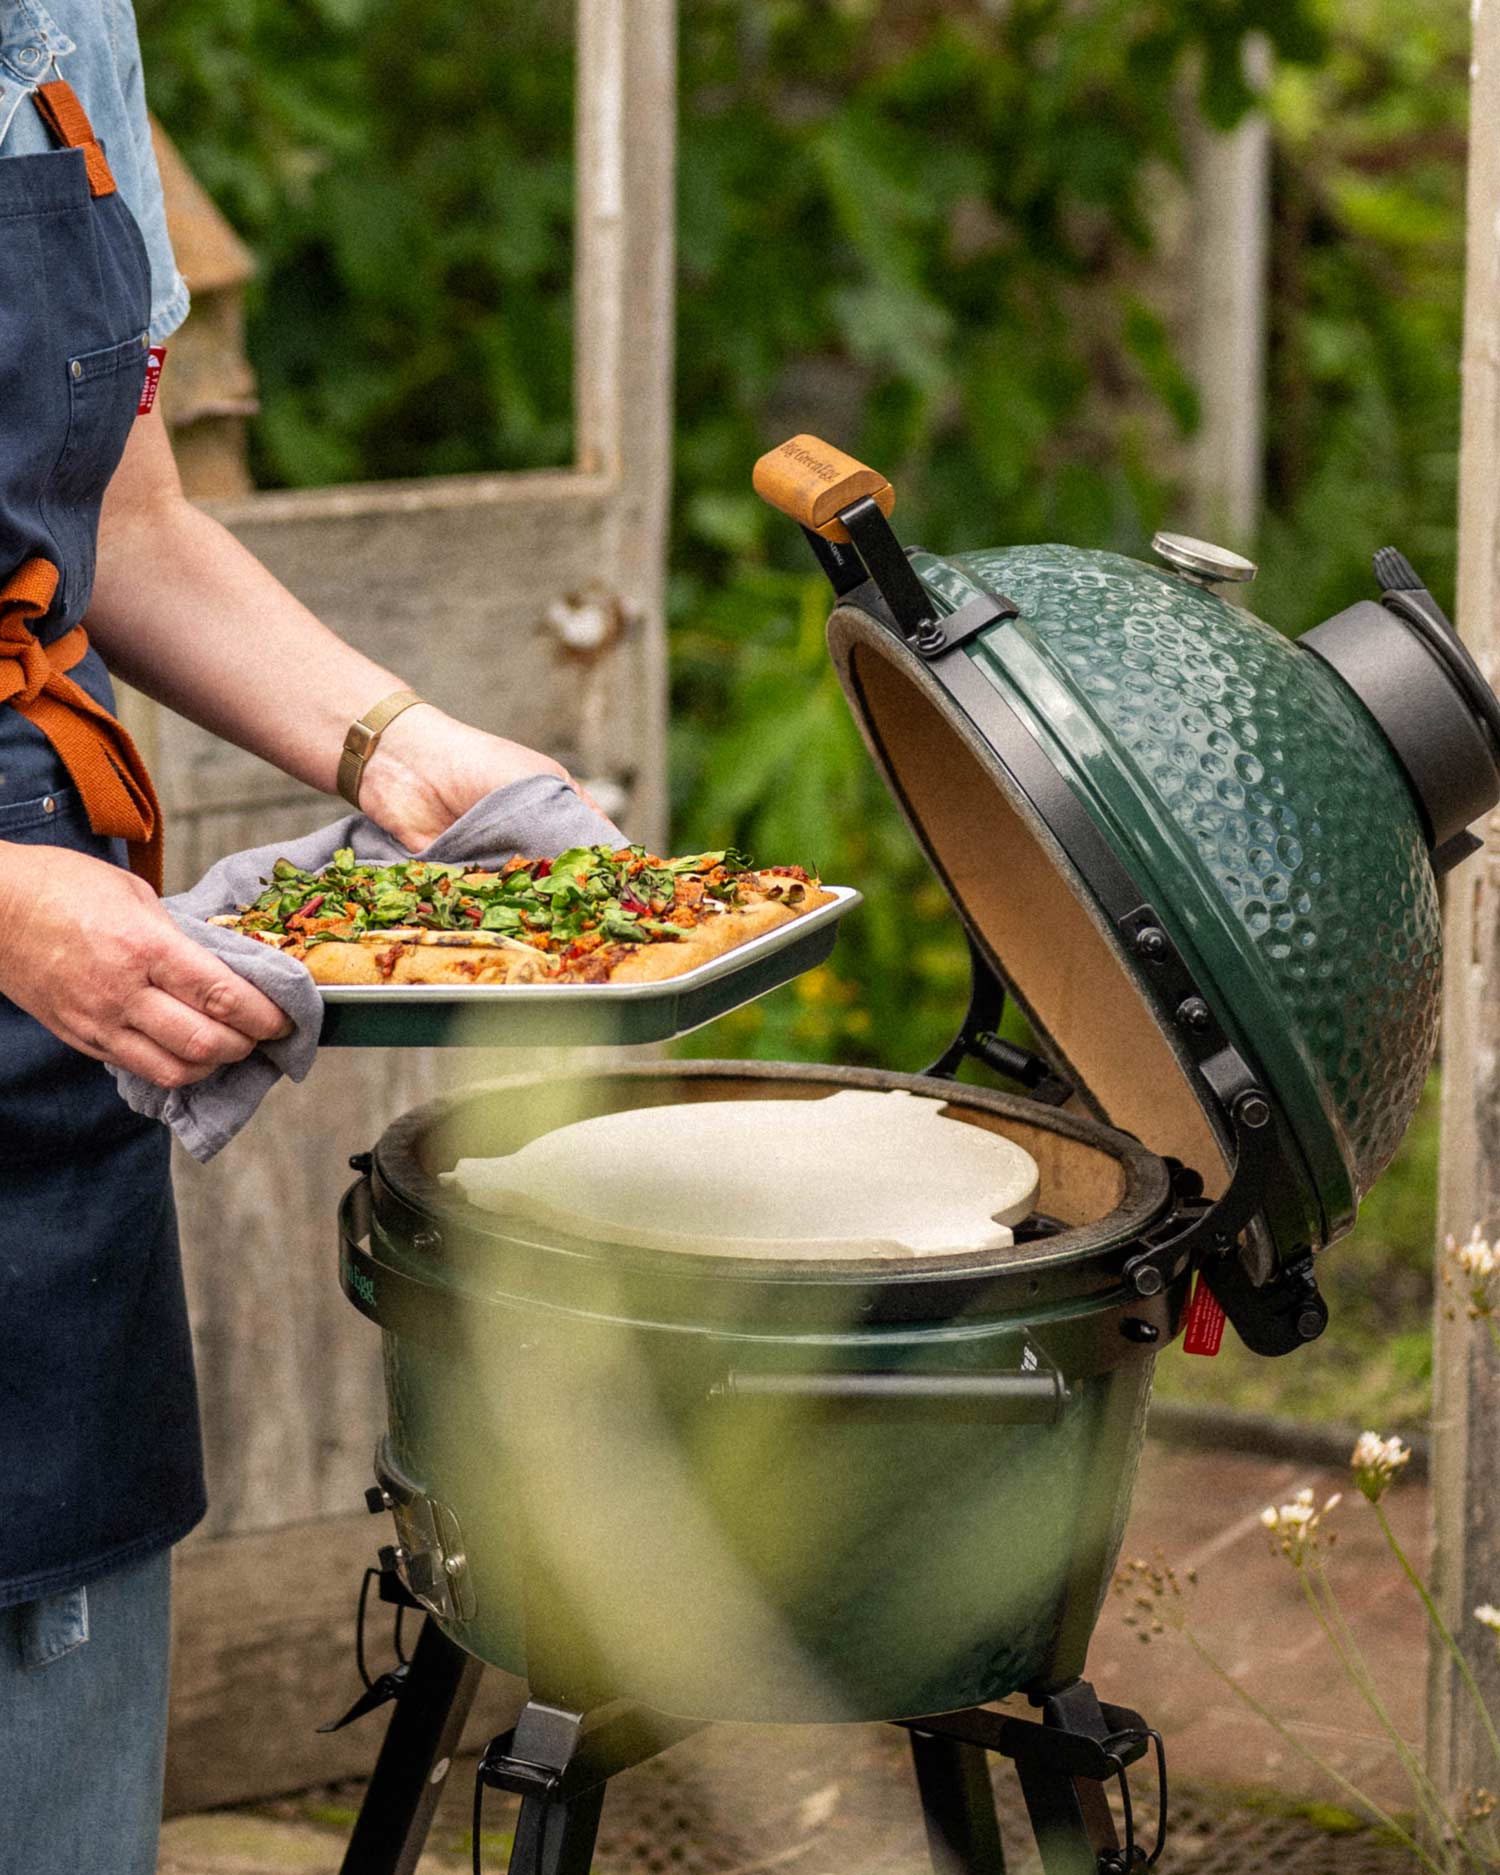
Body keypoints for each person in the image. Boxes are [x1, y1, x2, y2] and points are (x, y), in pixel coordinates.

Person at [0, 5, 588, 1868]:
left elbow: (127, 515)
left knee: (53, 1690)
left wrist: (394, 746)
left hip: (43, 1029)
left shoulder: (64, 27)